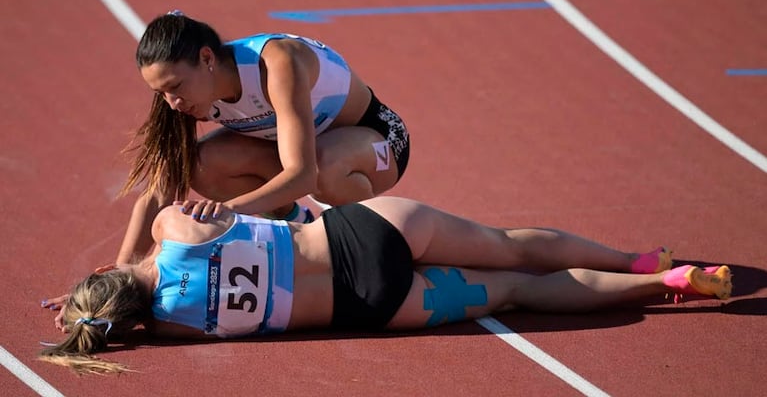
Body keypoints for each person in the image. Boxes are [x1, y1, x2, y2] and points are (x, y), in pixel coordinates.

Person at [39, 196, 732, 374]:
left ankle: (662, 286)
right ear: (106, 273)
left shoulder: (167, 328)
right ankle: (639, 259)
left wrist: (90, 318)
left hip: (375, 303)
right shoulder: (175, 227)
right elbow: (151, 211)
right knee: (510, 246)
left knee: (516, 292)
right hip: (367, 233)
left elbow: (121, 310)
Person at [115, 10, 410, 265]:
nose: (172, 103)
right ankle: (295, 222)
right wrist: (122, 271)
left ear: (207, 58)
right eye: (160, 94)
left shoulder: (277, 63)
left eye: (175, 87)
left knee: (325, 165)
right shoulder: (182, 93)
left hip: (378, 141)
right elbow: (158, 190)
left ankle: (385, 241)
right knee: (198, 165)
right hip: (302, 151)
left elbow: (304, 175)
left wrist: (229, 209)